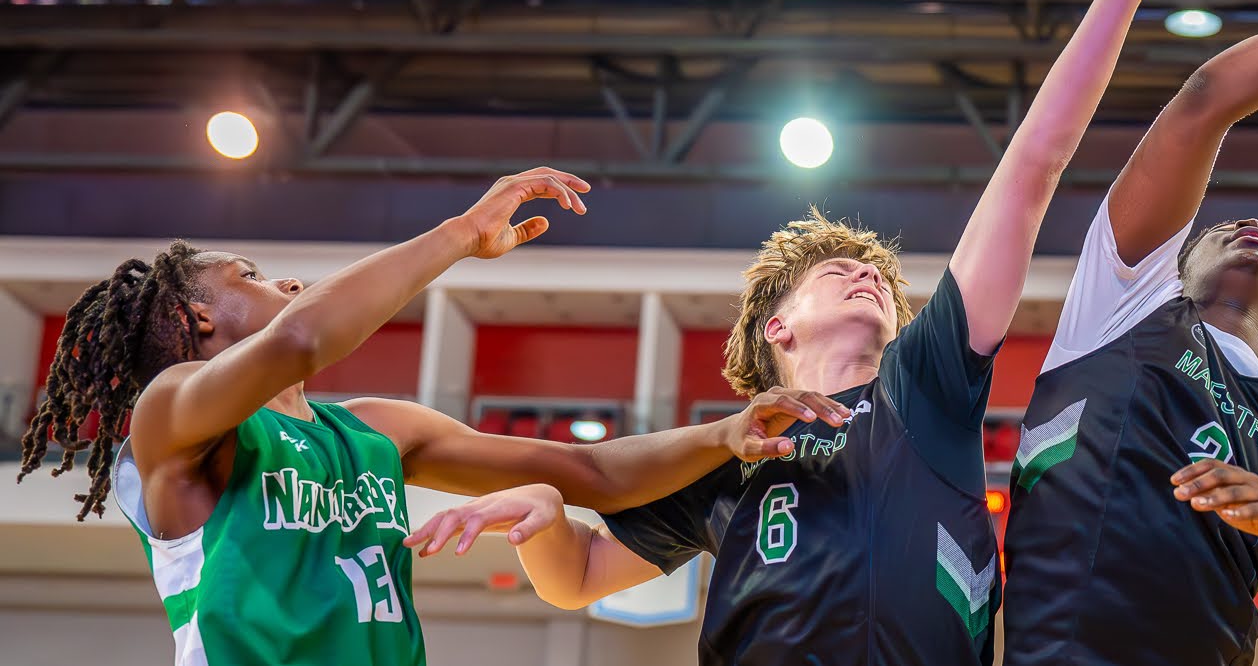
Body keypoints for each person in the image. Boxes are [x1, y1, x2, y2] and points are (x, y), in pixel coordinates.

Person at [412, 0, 1215, 666]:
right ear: (777, 328)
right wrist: (544, 516)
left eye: (877, 278)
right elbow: (576, 577)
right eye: (836, 272)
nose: (868, 273)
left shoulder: (924, 386)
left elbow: (1033, 167)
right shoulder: (727, 452)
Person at [16, 167, 850, 666]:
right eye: (251, 274)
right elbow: (301, 340)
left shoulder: (377, 431)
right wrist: (459, 233)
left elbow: (591, 474)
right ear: (199, 321)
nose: (288, 285)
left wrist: (722, 435)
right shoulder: (172, 420)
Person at [1002, 16, 1258, 666]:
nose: (1252, 226)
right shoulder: (1123, 306)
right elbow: (1204, 99)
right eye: (1218, 230)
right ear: (1178, 272)